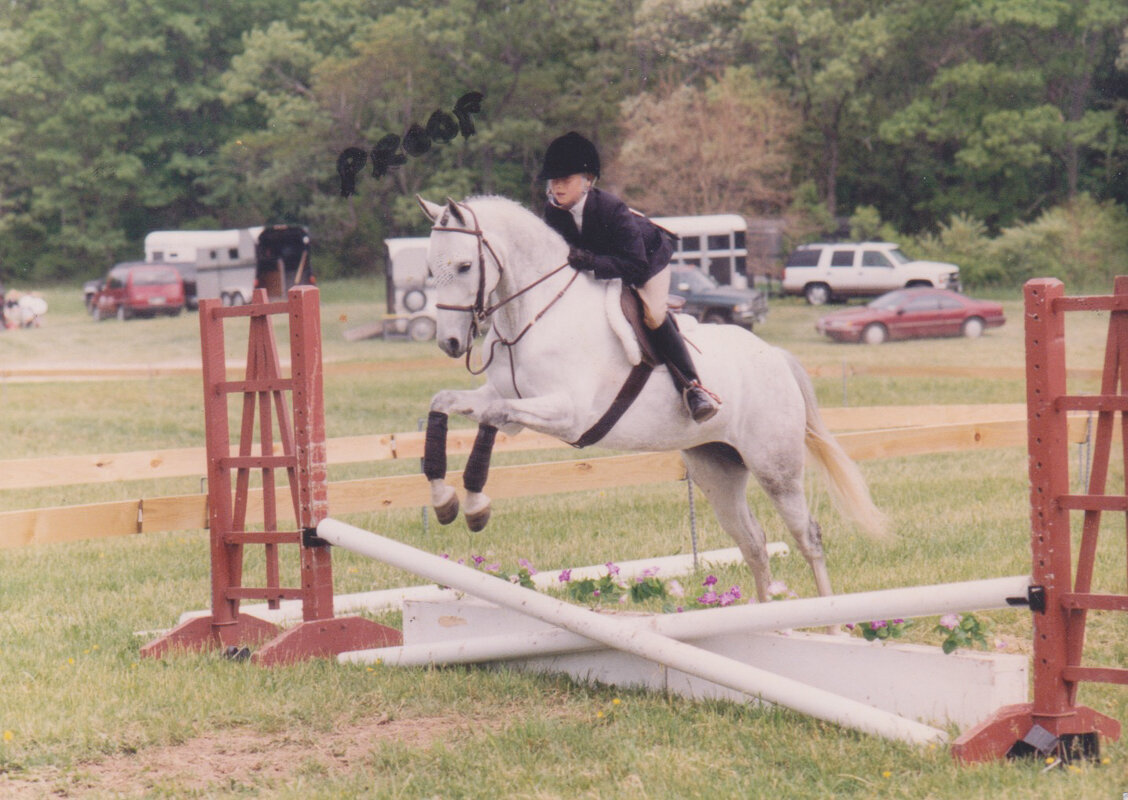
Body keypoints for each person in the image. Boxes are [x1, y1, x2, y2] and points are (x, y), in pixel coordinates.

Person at [538, 131, 720, 422]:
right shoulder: (553, 212)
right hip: (605, 265)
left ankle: (692, 387)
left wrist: (592, 262)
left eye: (566, 180)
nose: (557, 187)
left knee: (653, 315)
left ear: (587, 181)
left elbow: (634, 265)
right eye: (554, 181)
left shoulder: (611, 208)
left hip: (647, 262)